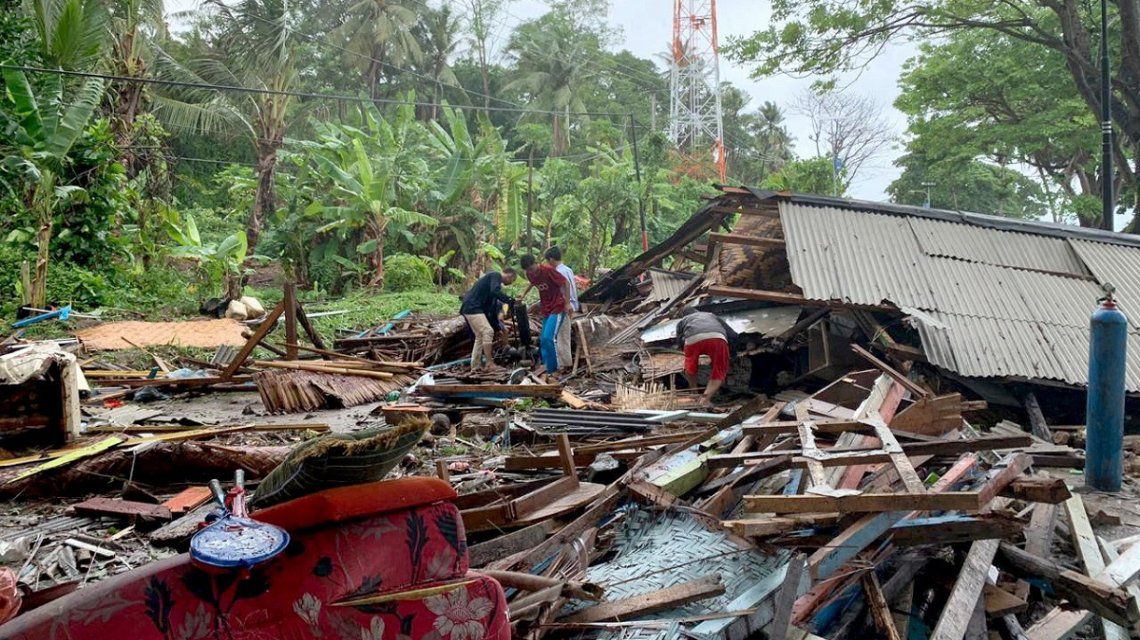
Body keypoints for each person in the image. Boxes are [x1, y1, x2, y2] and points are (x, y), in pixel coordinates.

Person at [520, 254, 572, 377]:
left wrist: (568, 303)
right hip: (546, 308)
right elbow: (532, 283)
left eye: (531, 268)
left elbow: (566, 283)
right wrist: (523, 294)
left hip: (557, 306)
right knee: (543, 339)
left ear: (536, 263)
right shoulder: (530, 274)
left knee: (549, 338)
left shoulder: (548, 270)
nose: (530, 272)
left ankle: (555, 369)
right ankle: (547, 367)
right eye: (528, 270)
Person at [459, 267, 517, 372]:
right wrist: (509, 300)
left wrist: (497, 326)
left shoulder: (491, 284)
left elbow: (492, 311)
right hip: (473, 308)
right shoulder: (496, 275)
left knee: (480, 337)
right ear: (510, 275)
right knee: (487, 331)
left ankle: (475, 366)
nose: (510, 283)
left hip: (470, 308)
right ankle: (489, 363)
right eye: (512, 280)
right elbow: (495, 291)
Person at [675, 308, 737, 404]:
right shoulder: (711, 315)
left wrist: (689, 353)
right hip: (717, 338)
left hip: (692, 339)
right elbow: (733, 335)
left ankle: (694, 393)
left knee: (690, 368)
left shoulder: (682, 321)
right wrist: (732, 353)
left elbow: (680, 341)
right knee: (719, 370)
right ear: (697, 312)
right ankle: (704, 400)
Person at [544, 246, 578, 370]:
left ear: (551, 259)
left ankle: (562, 365)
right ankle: (565, 364)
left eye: (548, 261)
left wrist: (566, 303)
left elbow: (563, 289)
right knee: (563, 336)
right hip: (568, 305)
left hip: (562, 306)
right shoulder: (567, 269)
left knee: (560, 336)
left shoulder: (558, 272)